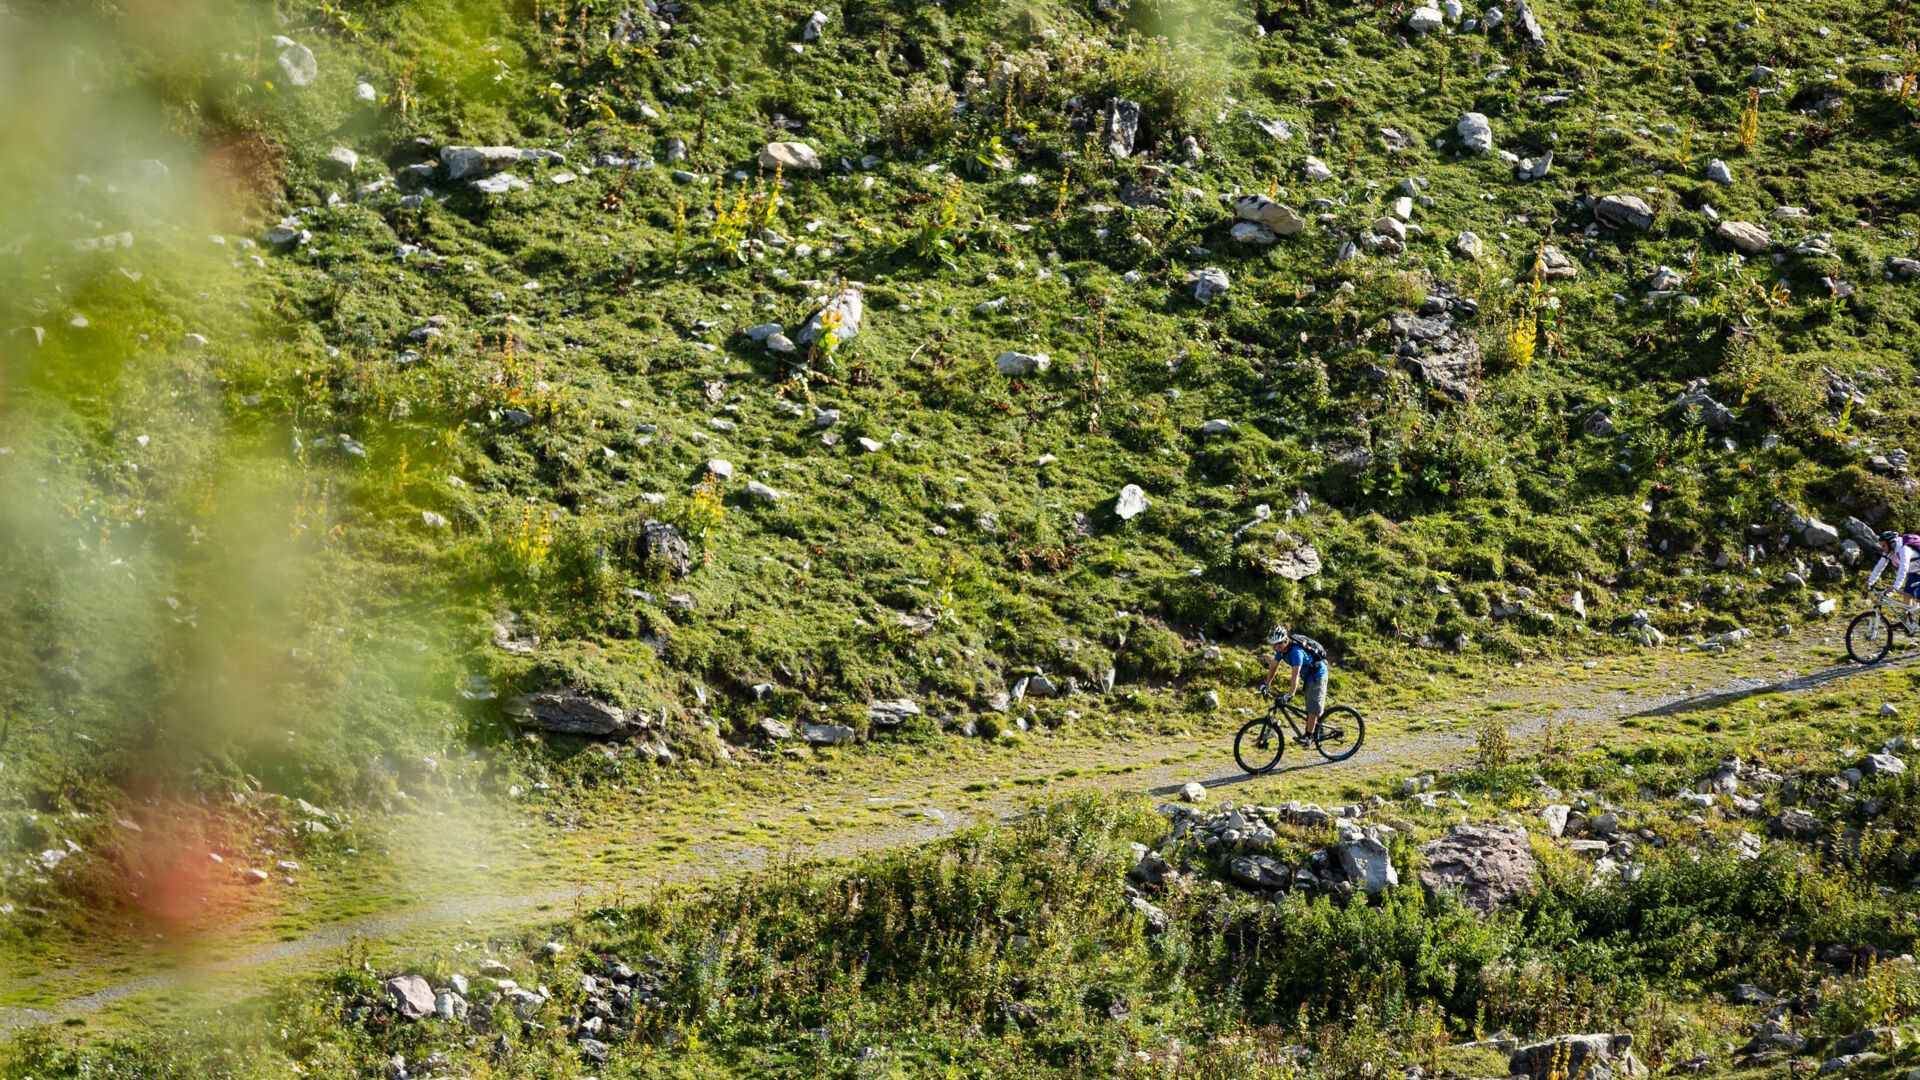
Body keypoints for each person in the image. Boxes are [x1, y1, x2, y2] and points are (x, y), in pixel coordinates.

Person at [1260, 625, 1328, 747]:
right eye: (1274, 644)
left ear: (1286, 640)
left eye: (1279, 644)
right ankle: (1319, 731)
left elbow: (1295, 675)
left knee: (1312, 708)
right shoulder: (1280, 651)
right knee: (1312, 706)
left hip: (1318, 675)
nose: (1277, 647)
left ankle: (1308, 737)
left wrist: (1292, 693)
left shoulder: (1296, 652)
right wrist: (1267, 684)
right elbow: (1274, 666)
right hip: (1308, 677)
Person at [1867, 530, 1920, 618]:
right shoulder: (1889, 552)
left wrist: (1895, 587)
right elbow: (1880, 566)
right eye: (1881, 544)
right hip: (1916, 572)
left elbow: (1904, 568)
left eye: (1884, 545)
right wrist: (1870, 581)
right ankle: (1907, 625)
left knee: (1919, 598)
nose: (1882, 547)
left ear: (1891, 544)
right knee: (1907, 594)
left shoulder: (1904, 550)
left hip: (1916, 570)